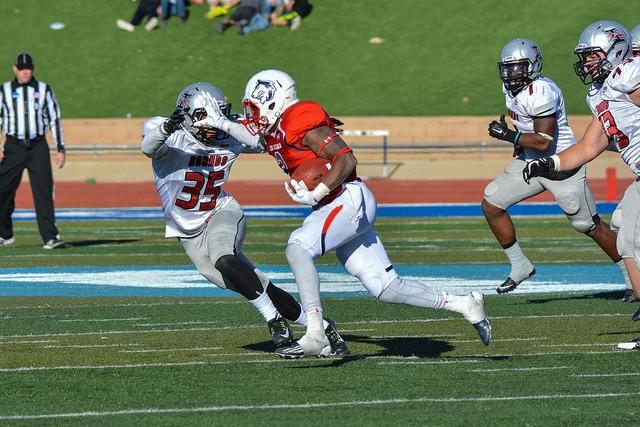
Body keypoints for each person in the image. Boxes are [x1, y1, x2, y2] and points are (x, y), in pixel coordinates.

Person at [193, 70, 492, 359]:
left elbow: (346, 159)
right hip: (338, 205)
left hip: (347, 198)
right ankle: (465, 304)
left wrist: (316, 192)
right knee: (387, 288)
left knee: (298, 247)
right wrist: (219, 122)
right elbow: (253, 137)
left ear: (273, 99)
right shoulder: (278, 131)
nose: (255, 116)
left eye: (257, 107)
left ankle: (315, 333)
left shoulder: (299, 118)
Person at [141, 82, 347, 353]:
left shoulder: (228, 132)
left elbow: (267, 138)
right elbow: (149, 146)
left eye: (219, 115)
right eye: (205, 117)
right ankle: (321, 326)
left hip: (220, 211)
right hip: (186, 228)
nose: (214, 124)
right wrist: (168, 127)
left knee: (224, 258)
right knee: (254, 284)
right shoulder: (168, 131)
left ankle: (274, 321)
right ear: (186, 115)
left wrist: (310, 131)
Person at [521, 21, 640, 346]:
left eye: (592, 55)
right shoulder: (599, 92)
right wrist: (549, 163)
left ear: (615, 50)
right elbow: (588, 147)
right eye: (585, 56)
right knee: (622, 231)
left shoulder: (628, 74)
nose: (587, 62)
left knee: (630, 244)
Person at [484, 39, 630, 296]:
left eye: (518, 67)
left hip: (562, 166)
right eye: (508, 69)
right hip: (530, 163)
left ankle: (631, 276)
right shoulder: (510, 89)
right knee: (492, 203)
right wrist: (517, 142)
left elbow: (543, 141)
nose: (512, 74)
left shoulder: (542, 91)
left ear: (533, 65)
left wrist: (509, 136)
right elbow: (525, 124)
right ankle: (520, 266)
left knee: (589, 226)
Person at [0, 53, 65, 249]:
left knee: (43, 190)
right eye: (21, 68)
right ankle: (4, 233)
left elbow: (54, 119)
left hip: (38, 146)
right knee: (2, 190)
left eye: (27, 68)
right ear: (14, 69)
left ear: (32, 68)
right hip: (13, 146)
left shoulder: (44, 90)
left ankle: (50, 237)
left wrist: (60, 148)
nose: (24, 71)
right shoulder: (4, 91)